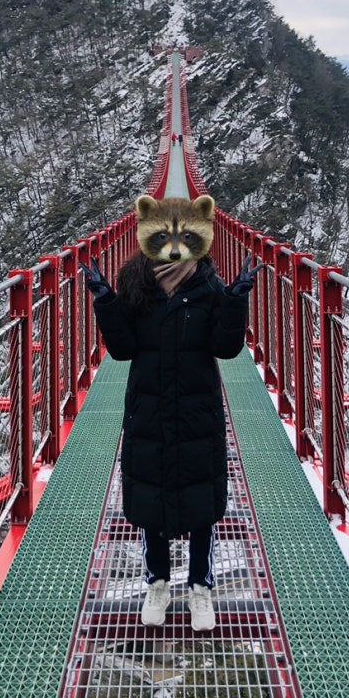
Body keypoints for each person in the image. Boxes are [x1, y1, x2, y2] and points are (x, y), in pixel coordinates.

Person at [81, 220, 262, 632]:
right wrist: (105, 300)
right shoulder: (138, 289)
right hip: (149, 409)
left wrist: (236, 298)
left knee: (202, 503)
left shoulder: (209, 287)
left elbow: (226, 347)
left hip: (198, 411)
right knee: (151, 500)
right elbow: (123, 348)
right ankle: (157, 583)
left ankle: (201, 587)